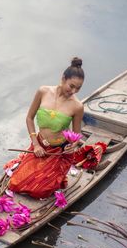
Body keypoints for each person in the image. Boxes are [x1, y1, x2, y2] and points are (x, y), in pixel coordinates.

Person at [6, 57, 85, 199]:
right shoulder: (43, 91)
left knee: (40, 191)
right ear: (63, 78)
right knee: (16, 184)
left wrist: (73, 146)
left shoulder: (77, 106)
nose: (74, 91)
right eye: (71, 86)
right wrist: (36, 144)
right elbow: (29, 118)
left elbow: (76, 135)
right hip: (39, 146)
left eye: (78, 88)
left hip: (59, 152)